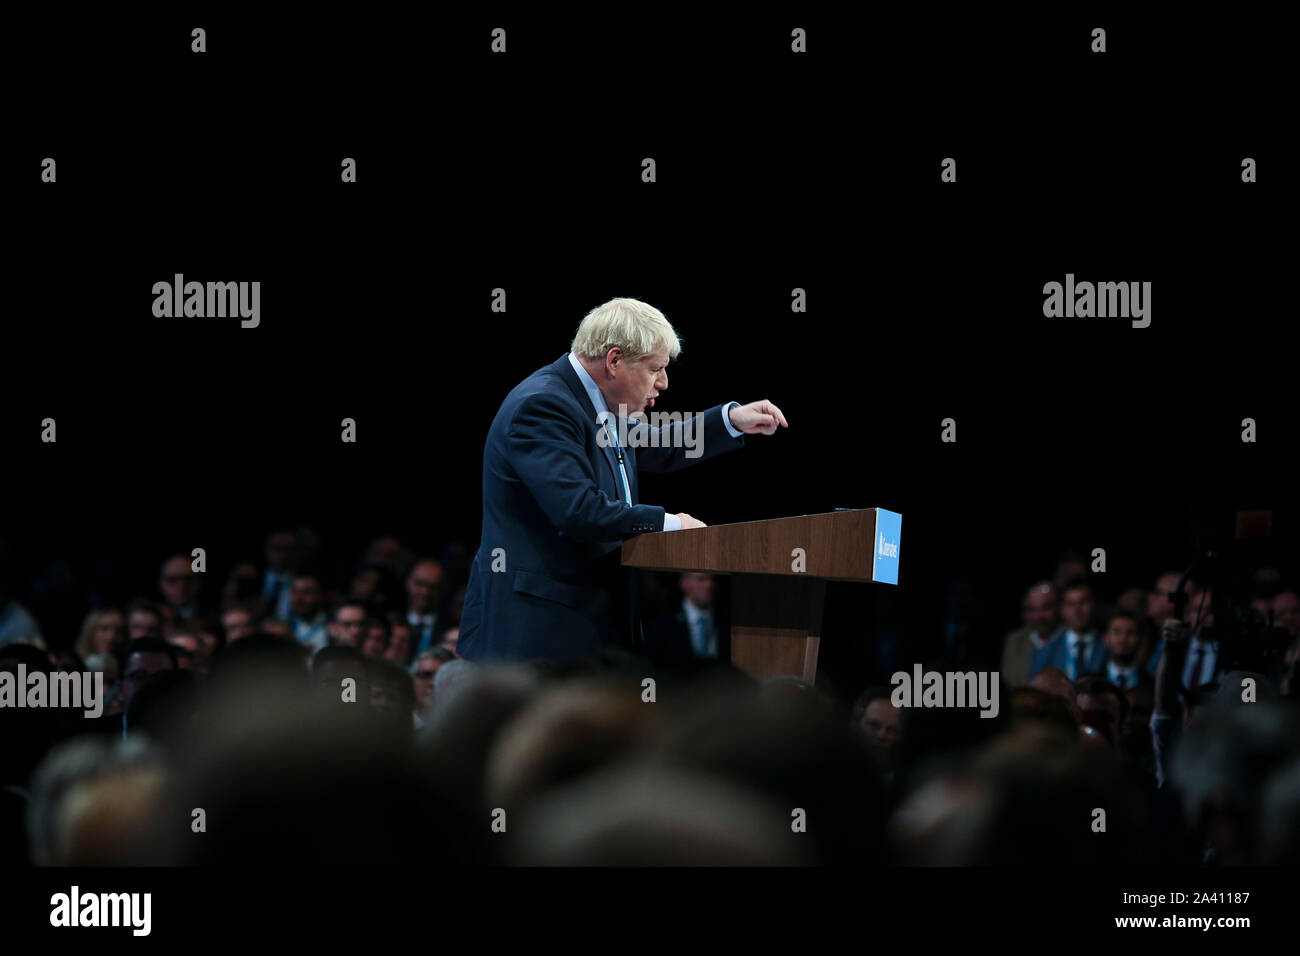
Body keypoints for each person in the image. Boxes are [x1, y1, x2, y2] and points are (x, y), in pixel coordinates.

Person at [458, 297, 787, 664]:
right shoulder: (543, 406)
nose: (663, 382)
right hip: (536, 635)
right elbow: (578, 511)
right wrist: (670, 524)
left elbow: (662, 443)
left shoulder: (593, 404)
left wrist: (732, 419)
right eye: (654, 368)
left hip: (580, 626)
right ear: (614, 361)